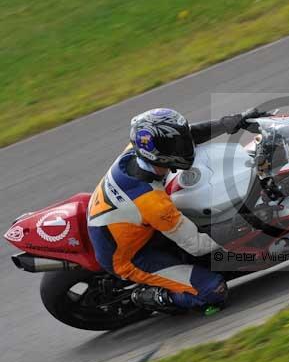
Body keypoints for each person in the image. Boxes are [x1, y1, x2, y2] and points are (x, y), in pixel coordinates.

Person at [86, 107, 260, 314]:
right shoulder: (152, 202)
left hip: (127, 223)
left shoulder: (136, 151)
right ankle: (149, 296)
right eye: (177, 145)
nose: (184, 145)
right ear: (158, 153)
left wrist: (229, 123)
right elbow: (197, 245)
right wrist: (242, 223)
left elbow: (188, 135)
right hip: (131, 256)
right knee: (214, 291)